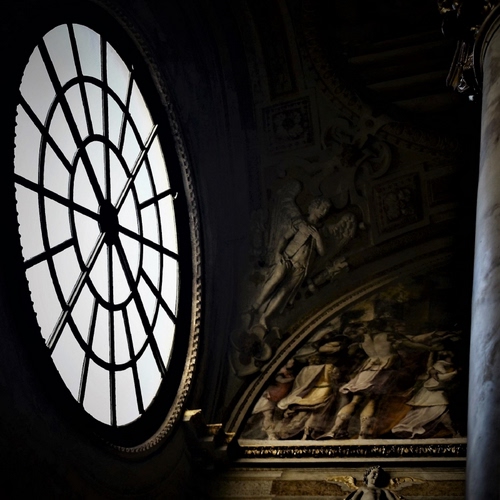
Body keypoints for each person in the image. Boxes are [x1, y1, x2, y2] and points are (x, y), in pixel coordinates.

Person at [250, 197, 331, 329]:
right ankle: (255, 305)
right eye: (322, 208)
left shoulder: (320, 231)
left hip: (301, 268)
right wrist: (278, 253)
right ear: (314, 207)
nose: (324, 211)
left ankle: (265, 318)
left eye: (326, 209)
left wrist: (317, 238)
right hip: (287, 258)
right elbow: (284, 237)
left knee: (283, 292)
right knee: (276, 278)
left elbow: (322, 252)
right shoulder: (300, 223)